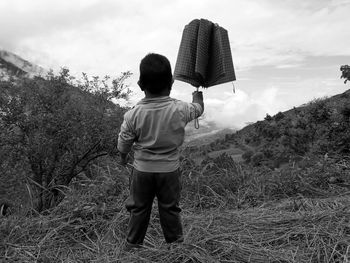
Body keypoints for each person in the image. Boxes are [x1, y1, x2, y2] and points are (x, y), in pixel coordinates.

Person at [117, 53, 204, 249]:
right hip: (169, 172)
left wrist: (123, 158)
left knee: (139, 209)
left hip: (142, 171)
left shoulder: (133, 115)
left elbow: (124, 143)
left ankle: (132, 246)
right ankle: (175, 247)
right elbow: (198, 108)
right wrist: (197, 92)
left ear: (140, 84)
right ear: (171, 82)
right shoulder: (180, 109)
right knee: (170, 209)